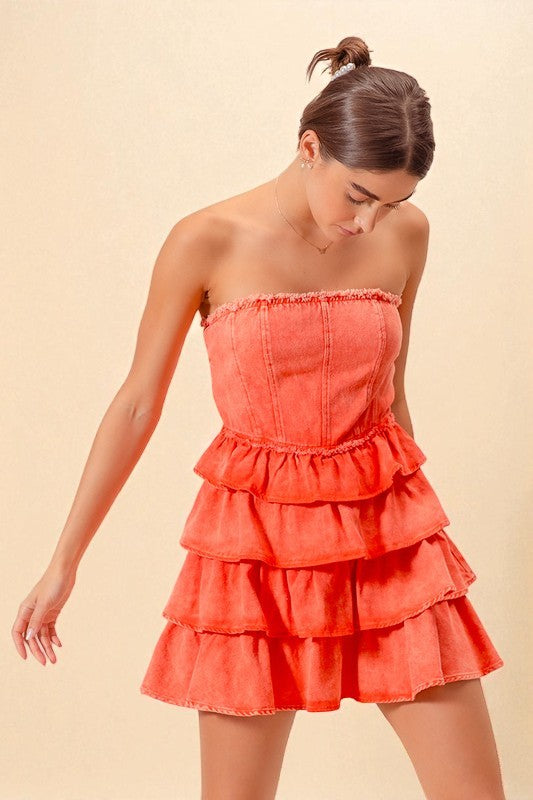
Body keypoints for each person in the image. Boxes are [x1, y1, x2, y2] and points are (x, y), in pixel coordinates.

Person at [12, 35, 507, 800]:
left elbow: (391, 390)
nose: (371, 223)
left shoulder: (407, 235)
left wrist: (421, 533)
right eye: (358, 196)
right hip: (253, 545)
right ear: (309, 146)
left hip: (387, 537)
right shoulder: (206, 240)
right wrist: (64, 560)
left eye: (394, 202)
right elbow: (139, 400)